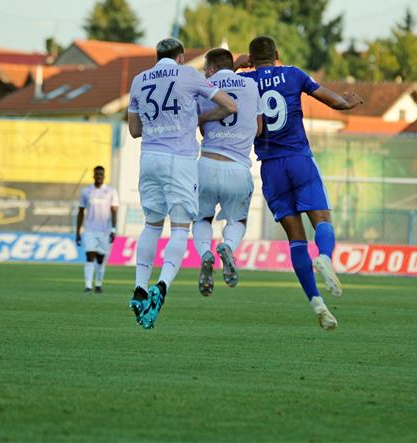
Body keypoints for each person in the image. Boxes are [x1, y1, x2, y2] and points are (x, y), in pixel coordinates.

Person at [238, 36, 363, 330]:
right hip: (298, 159)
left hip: (270, 167)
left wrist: (238, 65)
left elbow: (218, 79)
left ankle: (316, 302)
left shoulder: (244, 81)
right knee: (322, 219)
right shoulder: (293, 74)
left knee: (295, 238)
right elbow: (335, 101)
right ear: (277, 54)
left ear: (251, 59)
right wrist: (348, 101)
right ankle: (324, 257)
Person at [125, 38, 236, 329]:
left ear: (157, 56)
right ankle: (161, 287)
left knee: (151, 224)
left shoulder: (138, 80)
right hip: (180, 160)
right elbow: (229, 105)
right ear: (181, 56)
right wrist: (201, 117)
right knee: (178, 229)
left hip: (149, 157)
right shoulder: (188, 74)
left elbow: (134, 130)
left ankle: (139, 287)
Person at [192, 48, 263, 296]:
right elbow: (258, 129)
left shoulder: (203, 86)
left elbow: (200, 128)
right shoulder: (251, 86)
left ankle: (205, 253)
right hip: (238, 167)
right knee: (237, 221)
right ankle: (228, 247)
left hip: (207, 164)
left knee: (201, 218)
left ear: (211, 69)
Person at [76, 165, 119, 293]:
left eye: (101, 174)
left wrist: (113, 230)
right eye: (97, 174)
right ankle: (88, 285)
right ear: (93, 175)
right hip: (89, 229)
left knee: (100, 258)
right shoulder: (86, 191)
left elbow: (114, 212)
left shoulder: (111, 192)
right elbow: (80, 211)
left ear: (104, 176)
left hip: (105, 231)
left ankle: (98, 284)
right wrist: (78, 232)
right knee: (89, 256)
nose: (99, 177)